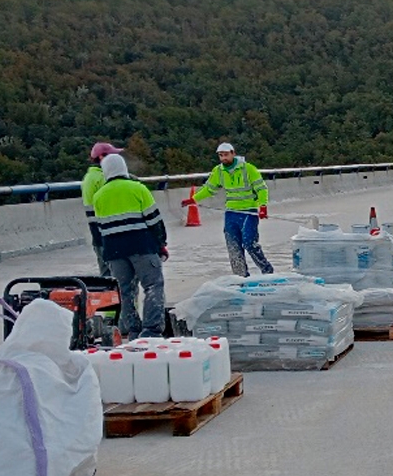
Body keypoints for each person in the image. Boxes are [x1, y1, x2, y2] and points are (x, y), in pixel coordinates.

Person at [91, 153, 168, 338]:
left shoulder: (99, 196)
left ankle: (132, 330)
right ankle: (151, 331)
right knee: (152, 285)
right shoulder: (137, 188)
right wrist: (161, 244)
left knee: (124, 291)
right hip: (142, 247)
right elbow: (155, 221)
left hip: (114, 252)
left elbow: (99, 229)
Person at [187, 142, 273, 277]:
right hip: (231, 213)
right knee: (233, 247)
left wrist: (262, 206)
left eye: (226, 155)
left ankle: (267, 270)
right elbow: (209, 189)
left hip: (249, 212)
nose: (223, 158)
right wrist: (194, 199)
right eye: (221, 155)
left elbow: (261, 188)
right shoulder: (218, 171)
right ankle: (241, 276)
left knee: (249, 243)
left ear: (233, 153)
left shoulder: (248, 169)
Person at [81, 142, 122, 276]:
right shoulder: (103, 178)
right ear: (101, 158)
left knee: (106, 275)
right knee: (119, 275)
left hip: (97, 233)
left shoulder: (88, 178)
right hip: (110, 233)